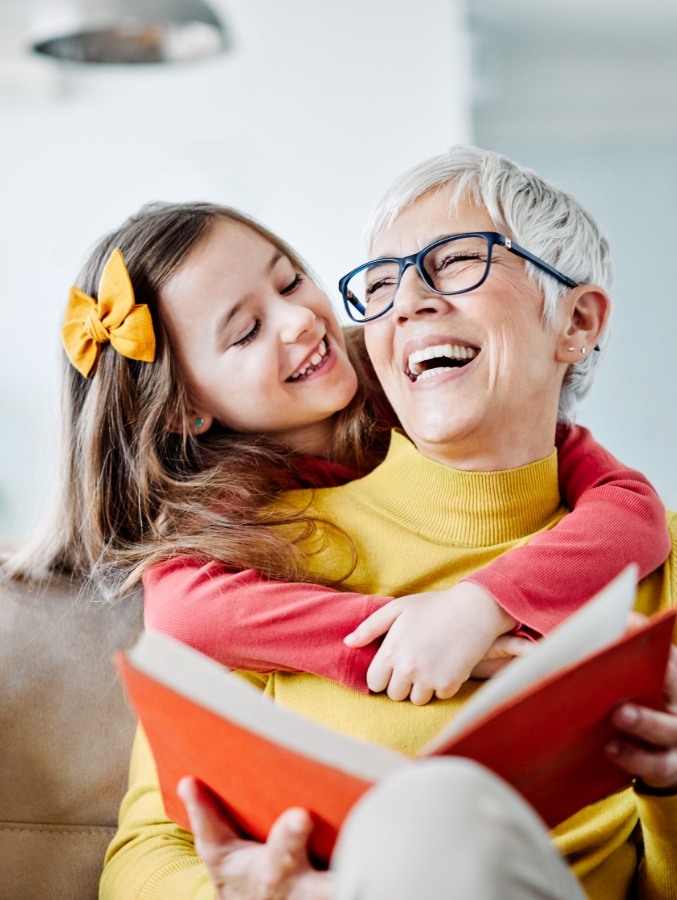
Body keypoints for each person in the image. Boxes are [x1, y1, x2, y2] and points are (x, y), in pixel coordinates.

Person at [100, 146, 676, 899]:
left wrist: (667, 794)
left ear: (576, 320)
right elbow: (144, 859)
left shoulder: (645, 546)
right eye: (381, 283)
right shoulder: (250, 558)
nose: (407, 302)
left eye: (456, 263)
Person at [18, 199, 665, 705]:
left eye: (290, 280)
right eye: (246, 331)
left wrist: (480, 605)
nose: (297, 319)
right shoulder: (225, 509)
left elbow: (632, 511)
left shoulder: (414, 377)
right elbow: (185, 612)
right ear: (186, 409)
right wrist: (403, 639)